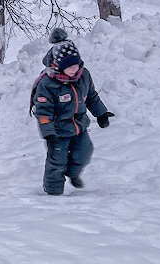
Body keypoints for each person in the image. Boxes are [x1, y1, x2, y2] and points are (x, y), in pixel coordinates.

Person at [32, 41, 113, 195]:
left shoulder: (84, 76)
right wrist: (47, 131)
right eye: (69, 67)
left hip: (79, 126)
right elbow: (43, 112)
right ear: (59, 66)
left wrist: (101, 114)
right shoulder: (48, 84)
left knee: (85, 151)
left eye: (76, 65)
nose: (74, 69)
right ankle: (53, 192)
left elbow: (91, 97)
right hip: (57, 132)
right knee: (57, 162)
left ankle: (73, 173)